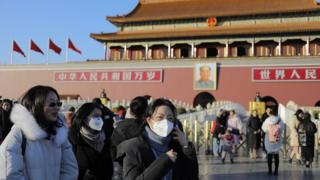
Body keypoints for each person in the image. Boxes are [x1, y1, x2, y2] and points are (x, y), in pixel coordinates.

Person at [0, 85, 78, 179]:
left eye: (59, 104)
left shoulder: (59, 134)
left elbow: (70, 169)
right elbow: (9, 174)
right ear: (36, 105)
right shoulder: (19, 134)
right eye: (52, 104)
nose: (57, 108)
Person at [117, 98, 199, 180]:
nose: (166, 122)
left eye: (170, 118)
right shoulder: (133, 147)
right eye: (160, 117)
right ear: (149, 120)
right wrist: (164, 161)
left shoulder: (176, 145)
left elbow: (192, 177)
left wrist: (186, 146)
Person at [68, 102, 113, 180]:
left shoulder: (104, 138)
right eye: (96, 116)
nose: (99, 119)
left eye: (100, 116)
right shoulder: (73, 139)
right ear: (84, 118)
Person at [111, 96, 148, 180]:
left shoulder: (120, 126)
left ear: (130, 110)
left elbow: (112, 149)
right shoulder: (147, 128)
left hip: (120, 166)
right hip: (142, 166)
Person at [262, 109, 284, 175]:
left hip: (269, 139)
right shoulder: (280, 120)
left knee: (269, 155)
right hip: (277, 139)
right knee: (276, 155)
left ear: (270, 113)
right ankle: (276, 170)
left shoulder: (267, 120)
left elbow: (264, 128)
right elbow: (282, 128)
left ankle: (270, 170)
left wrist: (270, 131)